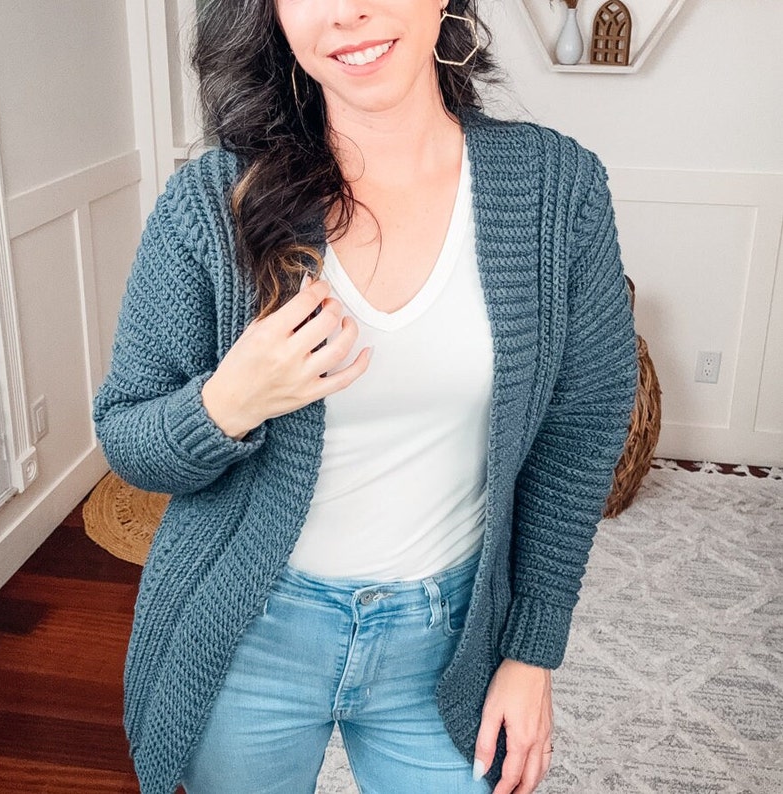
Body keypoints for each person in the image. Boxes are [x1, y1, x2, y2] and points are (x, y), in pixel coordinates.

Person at [93, 1, 637, 792]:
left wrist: (531, 651)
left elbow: (580, 432)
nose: (349, 11)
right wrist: (228, 401)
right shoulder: (212, 202)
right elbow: (128, 435)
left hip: (449, 635)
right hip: (248, 630)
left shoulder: (557, 188)